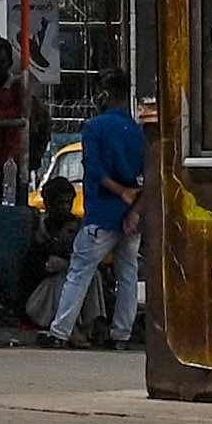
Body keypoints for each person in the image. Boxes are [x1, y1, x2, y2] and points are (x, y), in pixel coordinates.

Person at [50, 88, 150, 346]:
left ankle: (60, 331)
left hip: (103, 213)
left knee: (80, 271)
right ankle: (122, 335)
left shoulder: (95, 127)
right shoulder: (137, 130)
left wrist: (120, 192)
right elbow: (149, 174)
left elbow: (94, 169)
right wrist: (134, 205)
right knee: (127, 274)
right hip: (132, 215)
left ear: (104, 95)